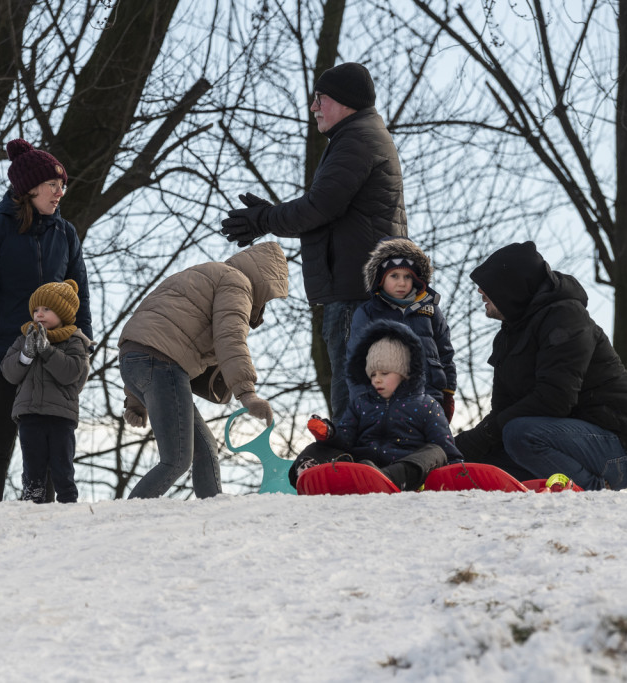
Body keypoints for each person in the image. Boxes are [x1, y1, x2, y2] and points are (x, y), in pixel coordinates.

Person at [220, 61, 407, 420]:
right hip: (361, 291)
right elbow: (328, 210)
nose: (314, 107)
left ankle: (360, 471)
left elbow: (320, 207)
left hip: (357, 296)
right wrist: (270, 216)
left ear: (345, 101)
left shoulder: (356, 140)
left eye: (320, 98)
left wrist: (264, 219)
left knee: (355, 404)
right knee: (358, 399)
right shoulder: (359, 136)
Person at [455, 242, 627, 491]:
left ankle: (593, 494)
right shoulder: (509, 336)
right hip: (562, 441)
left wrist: (486, 433)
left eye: (488, 287)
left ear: (511, 287)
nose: (480, 292)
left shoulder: (566, 317)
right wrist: (458, 449)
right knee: (482, 463)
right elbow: (503, 411)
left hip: (623, 447)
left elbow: (555, 399)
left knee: (519, 434)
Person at [0, 139, 93, 504]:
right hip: (3, 359)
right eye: (53, 185)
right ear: (29, 188)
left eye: (62, 186)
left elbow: (79, 298)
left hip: (53, 360)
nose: (59, 193)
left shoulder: (66, 234)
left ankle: (42, 524)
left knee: (49, 450)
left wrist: (83, 348)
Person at [118, 241, 289, 498]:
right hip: (163, 364)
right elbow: (230, 338)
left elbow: (151, 332)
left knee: (205, 447)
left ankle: (212, 509)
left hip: (134, 359)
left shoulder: (205, 273)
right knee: (176, 459)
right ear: (265, 282)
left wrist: (135, 401)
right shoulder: (237, 283)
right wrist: (247, 394)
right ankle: (124, 520)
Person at [289, 320, 461, 492]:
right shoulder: (361, 404)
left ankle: (389, 478)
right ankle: (311, 473)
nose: (377, 379)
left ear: (405, 373)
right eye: (373, 374)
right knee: (318, 448)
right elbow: (345, 439)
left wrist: (459, 473)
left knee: (436, 452)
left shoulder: (427, 405)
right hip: (363, 469)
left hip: (406, 470)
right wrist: (329, 434)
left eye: (384, 373)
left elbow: (447, 449)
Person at [0, 280, 91, 503]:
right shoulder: (23, 339)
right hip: (29, 414)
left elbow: (71, 372)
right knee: (33, 464)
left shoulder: (74, 342)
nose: (39, 314)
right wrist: (26, 355)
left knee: (62, 463)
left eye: (47, 309)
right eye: (36, 309)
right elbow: (9, 373)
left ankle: (68, 501)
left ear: (63, 313)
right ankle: (32, 501)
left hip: (61, 416)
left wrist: (47, 351)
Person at [348, 237, 456, 421]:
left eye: (407, 276)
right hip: (386, 401)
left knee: (434, 446)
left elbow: (445, 351)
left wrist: (448, 392)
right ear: (380, 279)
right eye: (394, 276)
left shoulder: (430, 309)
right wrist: (362, 400)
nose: (401, 283)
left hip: (430, 396)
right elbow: (356, 359)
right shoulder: (368, 312)